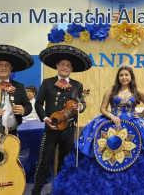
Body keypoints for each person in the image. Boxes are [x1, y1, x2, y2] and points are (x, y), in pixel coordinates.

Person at [51, 64, 144, 195]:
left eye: (126, 75)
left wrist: (140, 116)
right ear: (118, 77)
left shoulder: (137, 91)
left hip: (133, 124)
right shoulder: (111, 90)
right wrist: (111, 115)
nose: (124, 77)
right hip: (111, 123)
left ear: (131, 76)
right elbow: (102, 108)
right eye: (121, 75)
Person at [31, 45, 92, 195]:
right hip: (51, 128)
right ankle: (36, 191)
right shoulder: (47, 82)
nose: (65, 67)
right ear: (57, 66)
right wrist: (45, 118)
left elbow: (81, 103)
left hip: (69, 130)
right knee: (44, 162)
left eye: (68, 65)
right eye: (62, 64)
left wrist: (81, 107)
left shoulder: (77, 85)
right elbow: (38, 104)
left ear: (71, 69)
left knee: (65, 162)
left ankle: (61, 190)